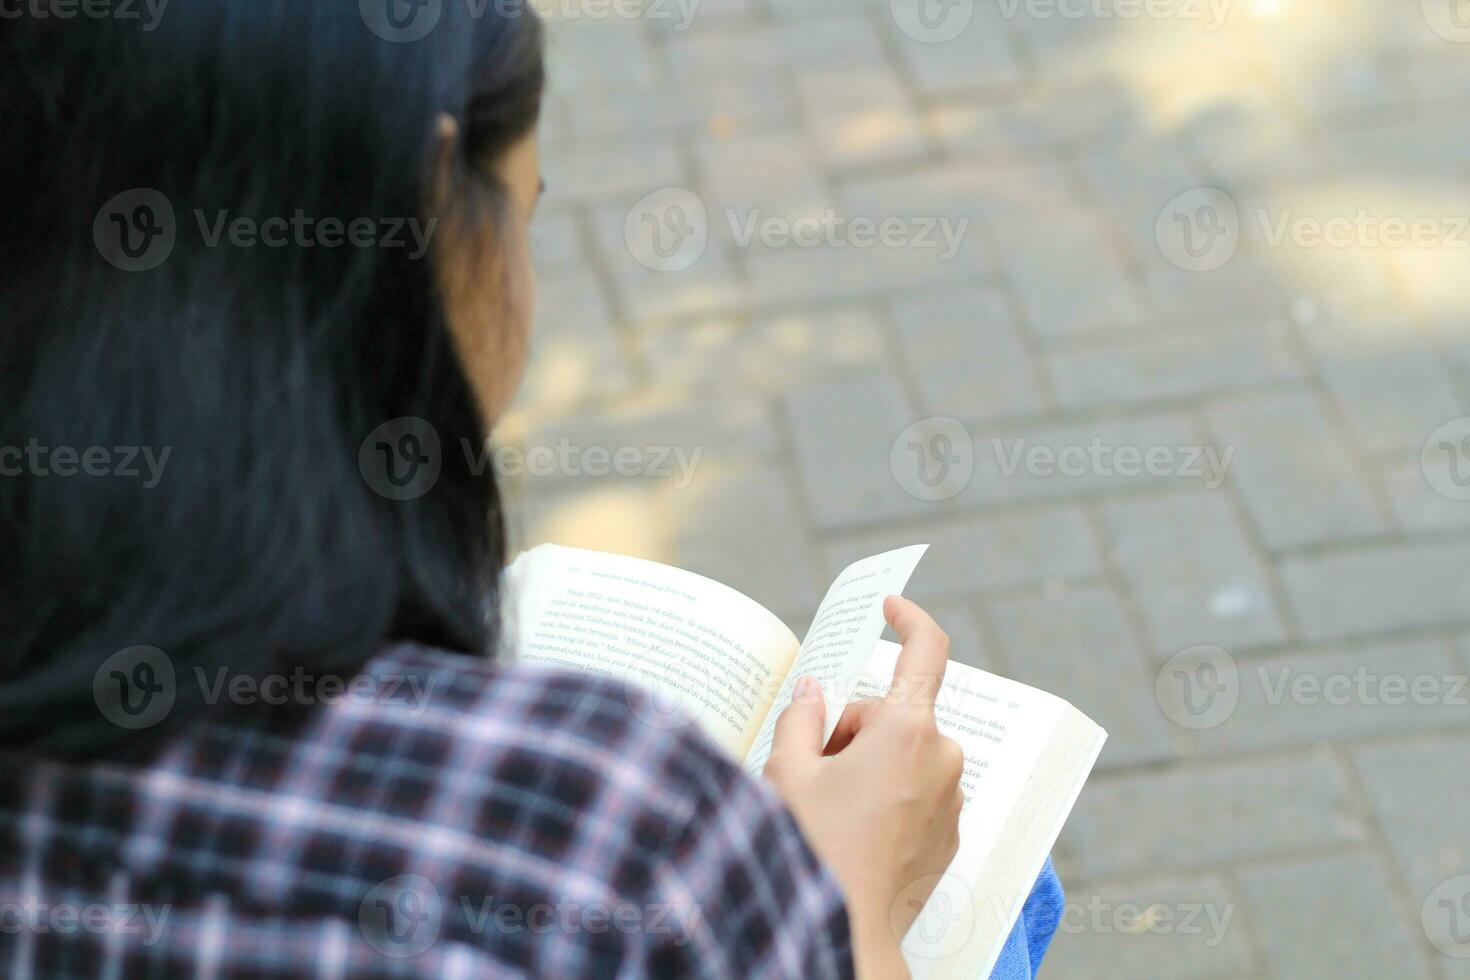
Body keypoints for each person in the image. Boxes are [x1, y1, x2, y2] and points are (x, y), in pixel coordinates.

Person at [0, 3, 1062, 976]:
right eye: (523, 210)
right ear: (435, 204)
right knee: (1004, 896)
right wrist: (847, 901)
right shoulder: (605, 825)